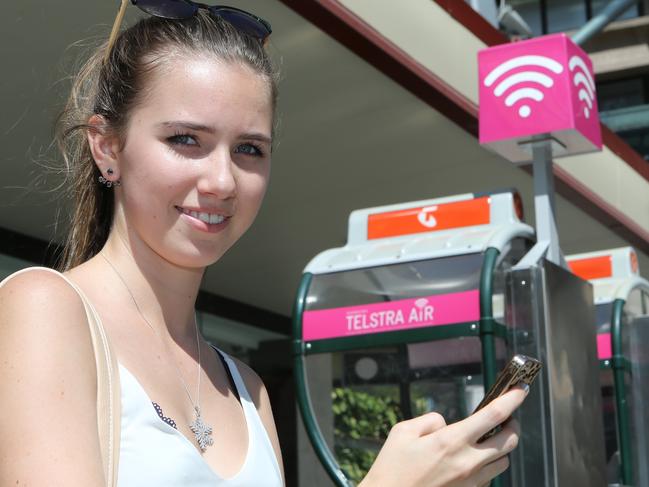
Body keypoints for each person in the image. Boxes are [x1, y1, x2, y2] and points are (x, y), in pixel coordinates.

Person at [0, 2, 527, 486]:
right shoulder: (44, 309)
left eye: (249, 149)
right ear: (107, 146)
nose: (223, 181)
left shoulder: (246, 387)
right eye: (186, 139)